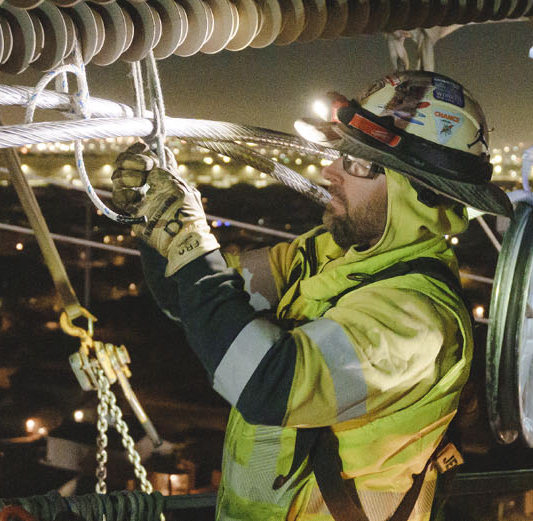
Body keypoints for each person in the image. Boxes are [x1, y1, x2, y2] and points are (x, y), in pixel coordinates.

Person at [116, 70, 511, 521]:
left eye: (358, 163)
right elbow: (187, 300)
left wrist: (189, 243)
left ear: (414, 192)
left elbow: (268, 383)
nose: (329, 170)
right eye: (341, 153)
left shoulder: (416, 320)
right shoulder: (332, 255)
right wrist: (154, 229)